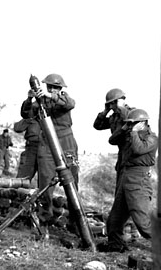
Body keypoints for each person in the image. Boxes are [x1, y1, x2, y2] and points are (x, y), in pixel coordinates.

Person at [21, 73, 79, 224]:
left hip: (66, 142)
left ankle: (76, 221)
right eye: (49, 87)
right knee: (45, 182)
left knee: (71, 183)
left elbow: (69, 104)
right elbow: (26, 114)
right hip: (46, 143)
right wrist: (29, 99)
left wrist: (50, 95)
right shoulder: (41, 101)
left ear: (60, 88)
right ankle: (44, 219)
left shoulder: (64, 98)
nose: (52, 89)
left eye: (55, 87)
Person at [98, 108, 157, 253]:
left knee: (143, 223)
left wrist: (134, 131)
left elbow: (138, 149)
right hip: (126, 176)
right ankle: (116, 246)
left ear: (143, 123)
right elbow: (112, 140)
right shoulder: (129, 134)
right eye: (129, 124)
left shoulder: (151, 138)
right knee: (114, 220)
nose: (130, 126)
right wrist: (123, 128)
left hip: (139, 180)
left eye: (133, 123)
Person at [93, 87, 132, 190]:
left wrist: (121, 107)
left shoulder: (131, 113)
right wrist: (105, 111)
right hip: (121, 155)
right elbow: (98, 125)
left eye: (112, 103)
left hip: (131, 154)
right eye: (109, 104)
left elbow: (128, 120)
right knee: (119, 188)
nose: (111, 106)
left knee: (129, 188)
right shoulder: (114, 117)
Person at [13, 98, 41, 181]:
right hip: (31, 149)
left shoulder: (50, 120)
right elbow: (17, 128)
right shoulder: (30, 119)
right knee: (23, 177)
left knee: (45, 180)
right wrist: (29, 120)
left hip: (45, 149)